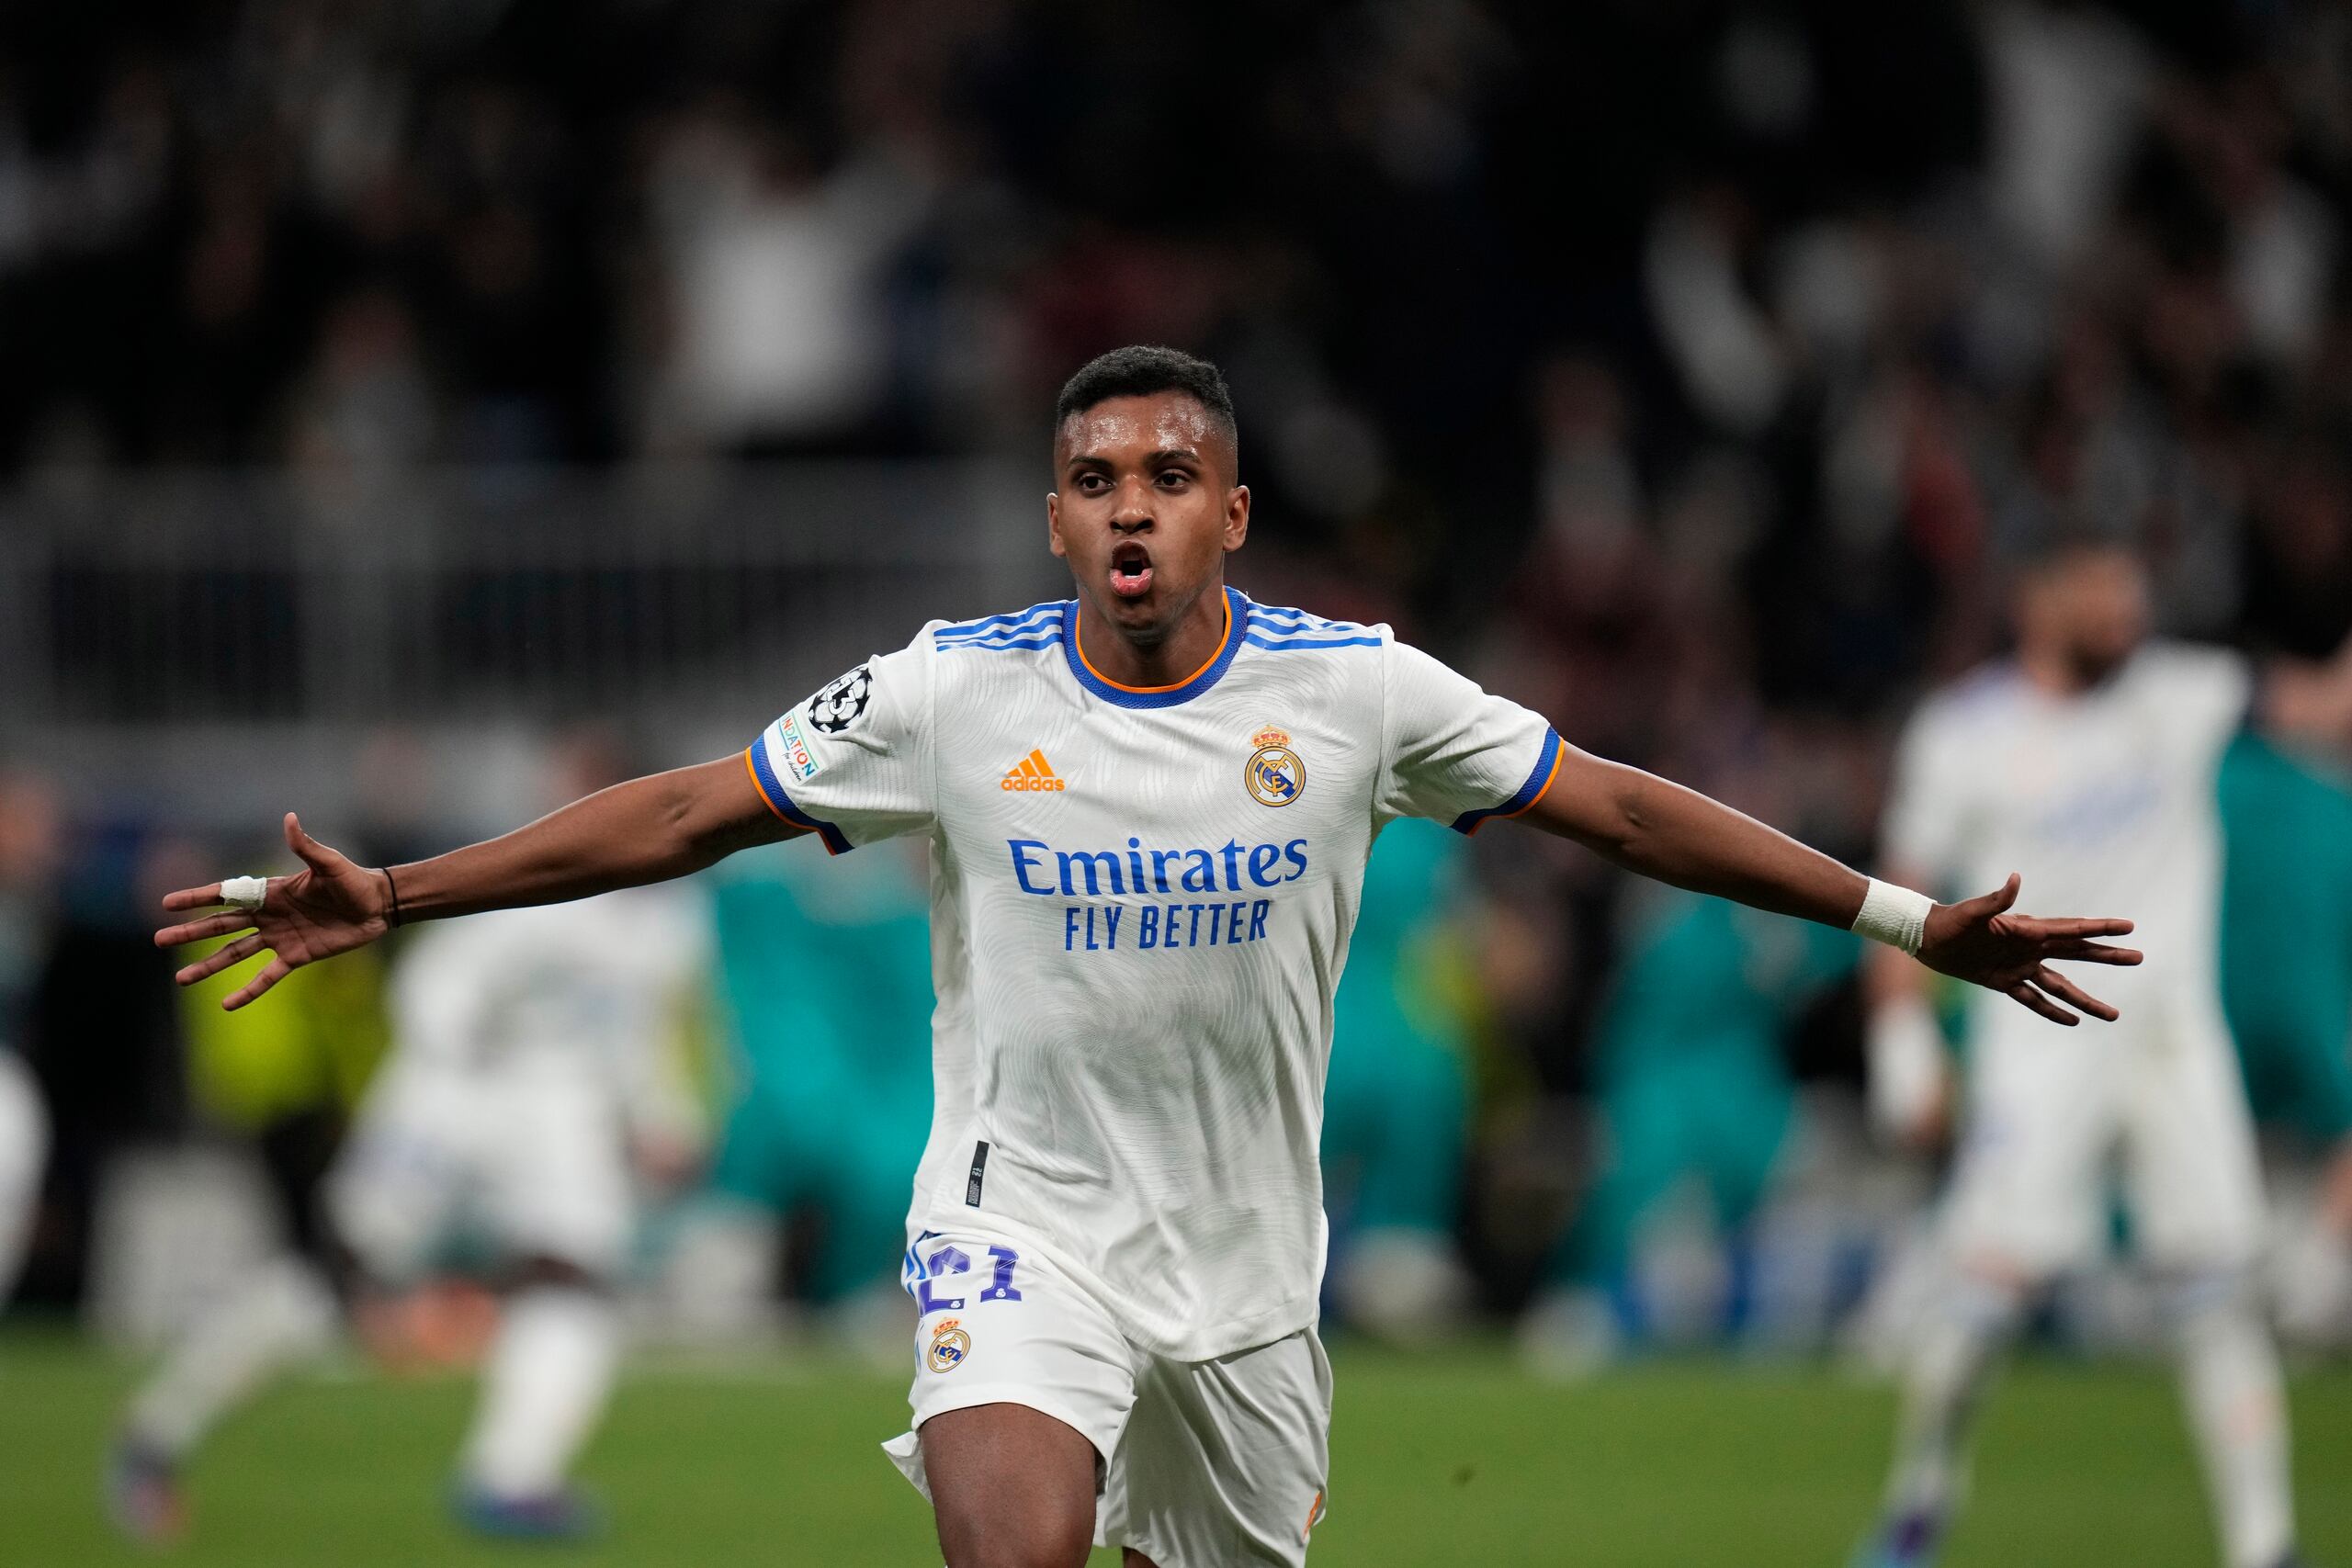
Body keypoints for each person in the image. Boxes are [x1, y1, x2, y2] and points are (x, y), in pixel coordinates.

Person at [158, 346, 2141, 1568]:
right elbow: (687, 809)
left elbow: (1611, 804)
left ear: (1230, 513)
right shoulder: (943, 695)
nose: (1129, 508)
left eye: (1165, 476)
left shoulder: (1356, 692)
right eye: (1096, 479)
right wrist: (402, 893)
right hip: (1026, 1222)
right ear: (1054, 517)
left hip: (1250, 1267)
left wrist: (1898, 916)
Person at [1856, 536, 2352, 1568]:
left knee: (2216, 1290)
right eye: (2100, 588)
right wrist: (1899, 1041)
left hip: (2172, 1043)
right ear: (2039, 596)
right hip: (2036, 1042)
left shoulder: (2183, 693)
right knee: (1989, 1290)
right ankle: (1918, 1501)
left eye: (2134, 586)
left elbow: (2321, 709)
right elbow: (1901, 889)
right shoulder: (1964, 732)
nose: (2127, 606)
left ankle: (2264, 1546)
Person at [114, 755, 708, 1545]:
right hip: (451, 1093)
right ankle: (159, 1430)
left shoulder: (671, 918)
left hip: (556, 1109)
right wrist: (443, 1101)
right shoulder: (536, 867)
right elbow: (435, 988)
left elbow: (636, 1030)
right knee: (337, 1279)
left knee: (575, 1277)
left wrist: (663, 1118)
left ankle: (510, 1480)